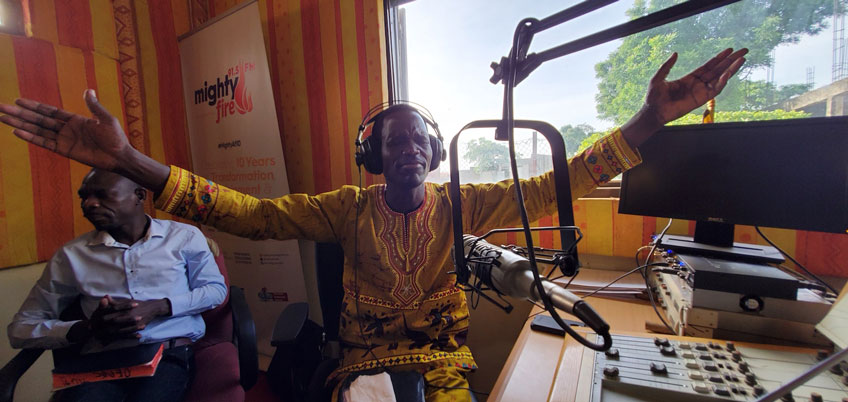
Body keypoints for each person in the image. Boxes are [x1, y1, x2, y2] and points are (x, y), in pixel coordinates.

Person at [0, 48, 746, 401]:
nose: (408, 152)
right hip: (361, 374)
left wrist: (649, 120)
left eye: (418, 141)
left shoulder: (464, 204)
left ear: (432, 151)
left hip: (445, 368)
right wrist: (135, 162)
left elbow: (563, 180)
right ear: (371, 156)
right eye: (392, 143)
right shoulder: (342, 210)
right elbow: (250, 216)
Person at [7, 169, 228, 402]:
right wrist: (86, 328)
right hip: (100, 361)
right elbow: (21, 329)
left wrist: (159, 307)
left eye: (103, 195)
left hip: (167, 354)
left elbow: (215, 290)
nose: (89, 204)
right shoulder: (71, 255)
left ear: (139, 196)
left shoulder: (183, 237)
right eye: (84, 197)